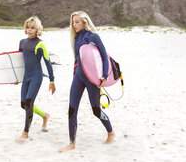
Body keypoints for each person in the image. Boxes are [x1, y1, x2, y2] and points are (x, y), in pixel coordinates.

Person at [59, 11, 114, 153]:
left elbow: (104, 57)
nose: (74, 24)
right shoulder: (76, 38)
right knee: (72, 109)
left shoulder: (93, 36)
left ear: (84, 21)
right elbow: (77, 59)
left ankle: (110, 132)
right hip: (78, 77)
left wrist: (104, 76)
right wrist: (74, 75)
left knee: (96, 110)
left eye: (77, 21)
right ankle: (72, 143)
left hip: (91, 79)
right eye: (73, 22)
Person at [15, 16, 56, 142]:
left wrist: (52, 81)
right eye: (28, 27)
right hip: (26, 76)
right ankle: (45, 116)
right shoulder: (22, 42)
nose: (29, 30)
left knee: (28, 103)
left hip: (36, 77)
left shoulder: (40, 44)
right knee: (23, 104)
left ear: (37, 29)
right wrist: (16, 77)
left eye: (32, 28)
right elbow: (19, 62)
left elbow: (48, 63)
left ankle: (25, 133)